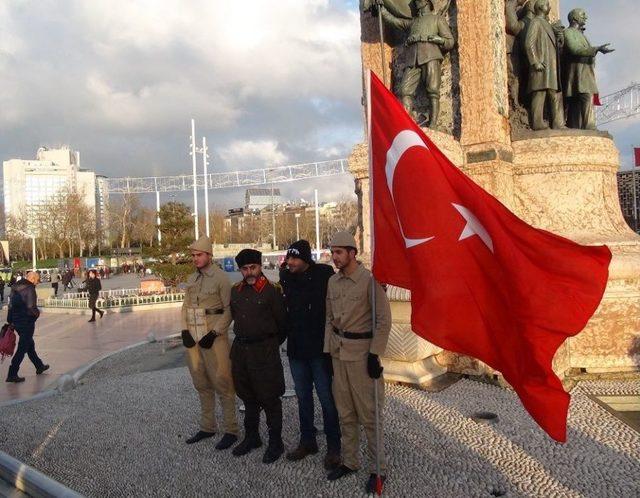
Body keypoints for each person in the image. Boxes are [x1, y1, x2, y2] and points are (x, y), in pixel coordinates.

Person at [324, 232, 391, 494]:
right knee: (346, 413)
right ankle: (350, 461)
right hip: (340, 353)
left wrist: (375, 354)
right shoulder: (333, 282)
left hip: (362, 355)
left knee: (370, 415)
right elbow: (329, 319)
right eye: (332, 252)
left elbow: (383, 321)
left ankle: (378, 469)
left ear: (352, 253)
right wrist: (329, 353)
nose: (335, 257)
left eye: (339, 252)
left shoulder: (370, 281)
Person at [279, 240, 341, 469]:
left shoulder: (324, 274)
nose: (290, 262)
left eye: (295, 258)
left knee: (326, 398)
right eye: (289, 258)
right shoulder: (286, 277)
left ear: (306, 259)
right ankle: (308, 440)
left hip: (319, 351)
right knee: (303, 397)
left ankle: (334, 445)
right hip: (296, 349)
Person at [181, 235, 239, 450]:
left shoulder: (221, 278)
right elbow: (185, 307)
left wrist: (215, 333)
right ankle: (207, 426)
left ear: (209, 255)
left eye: (199, 255)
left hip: (214, 339)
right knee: (201, 383)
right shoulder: (191, 279)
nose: (195, 259)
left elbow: (229, 309)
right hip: (193, 338)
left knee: (223, 383)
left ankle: (231, 429)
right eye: (193, 255)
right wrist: (184, 330)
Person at [230, 249, 287, 464]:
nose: (249, 272)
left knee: (270, 398)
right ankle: (252, 437)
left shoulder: (272, 291)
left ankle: (276, 442)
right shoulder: (235, 291)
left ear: (260, 266)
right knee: (247, 396)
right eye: (244, 269)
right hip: (241, 353)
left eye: (253, 267)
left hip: (264, 352)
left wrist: (268, 344)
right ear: (240, 270)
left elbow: (282, 325)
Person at [378, 0, 455, 127]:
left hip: (430, 55)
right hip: (413, 59)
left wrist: (438, 39)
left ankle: (433, 124)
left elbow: (450, 41)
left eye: (419, 1)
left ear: (426, 3)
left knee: (433, 89)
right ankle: (406, 124)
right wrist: (381, 8)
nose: (416, 3)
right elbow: (393, 20)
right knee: (405, 91)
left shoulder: (437, 19)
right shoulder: (412, 22)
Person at [562, 8, 614, 130]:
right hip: (578, 72)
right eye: (582, 15)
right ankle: (589, 126)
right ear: (574, 18)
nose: (585, 17)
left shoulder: (580, 34)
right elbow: (574, 49)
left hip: (585, 72)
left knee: (578, 101)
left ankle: (575, 126)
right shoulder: (568, 32)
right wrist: (596, 49)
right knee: (587, 96)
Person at [524, 0, 564, 130]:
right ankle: (537, 123)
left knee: (554, 93)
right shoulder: (536, 22)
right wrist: (535, 61)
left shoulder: (547, 24)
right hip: (541, 65)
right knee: (539, 92)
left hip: (550, 67)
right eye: (548, 4)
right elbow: (529, 43)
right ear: (541, 7)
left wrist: (559, 38)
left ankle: (558, 124)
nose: (549, 7)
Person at [6, 271, 49, 382]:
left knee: (30, 345)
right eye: (38, 280)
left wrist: (10, 320)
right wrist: (37, 313)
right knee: (22, 348)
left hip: (17, 322)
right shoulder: (30, 288)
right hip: (26, 322)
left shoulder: (15, 286)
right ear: (33, 278)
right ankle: (12, 373)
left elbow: (10, 305)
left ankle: (39, 366)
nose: (38, 283)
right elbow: (31, 307)